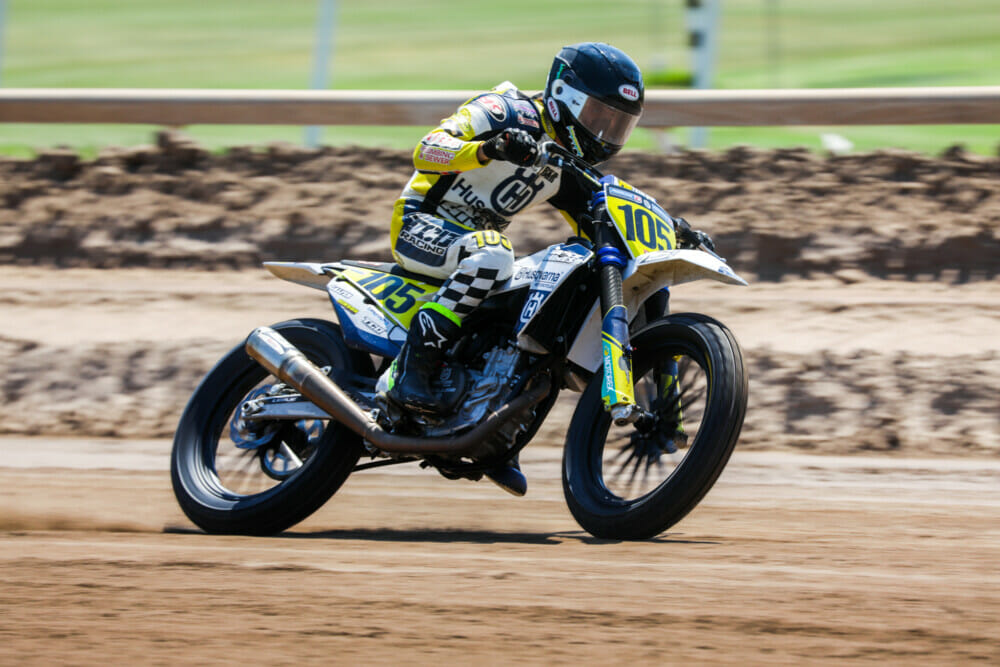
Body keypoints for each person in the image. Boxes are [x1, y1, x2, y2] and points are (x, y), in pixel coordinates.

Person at [385, 42, 645, 495]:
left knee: (548, 291)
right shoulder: (505, 109)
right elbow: (427, 151)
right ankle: (415, 366)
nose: (605, 132)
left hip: (473, 250)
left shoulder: (565, 163)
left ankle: (494, 428)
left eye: (617, 124)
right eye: (599, 116)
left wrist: (673, 231)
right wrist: (489, 149)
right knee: (496, 253)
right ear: (564, 94)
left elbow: (597, 219)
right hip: (420, 224)